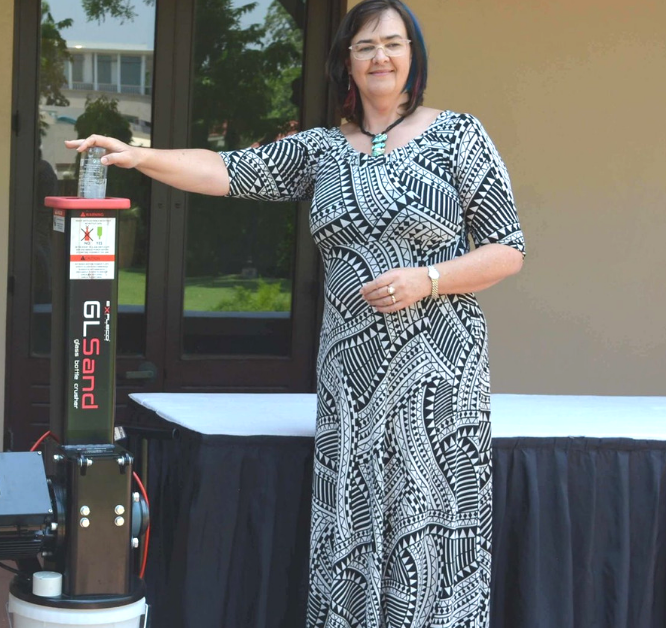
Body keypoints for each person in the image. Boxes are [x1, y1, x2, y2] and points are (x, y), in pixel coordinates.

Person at [67, 1, 524, 625]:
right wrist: (140, 156)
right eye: (365, 47)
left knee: (433, 526)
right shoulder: (321, 150)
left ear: (413, 56)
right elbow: (227, 171)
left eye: (393, 43)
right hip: (352, 378)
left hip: (439, 379)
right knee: (350, 529)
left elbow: (508, 250)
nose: (380, 57)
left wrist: (429, 278)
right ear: (346, 63)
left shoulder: (461, 136)